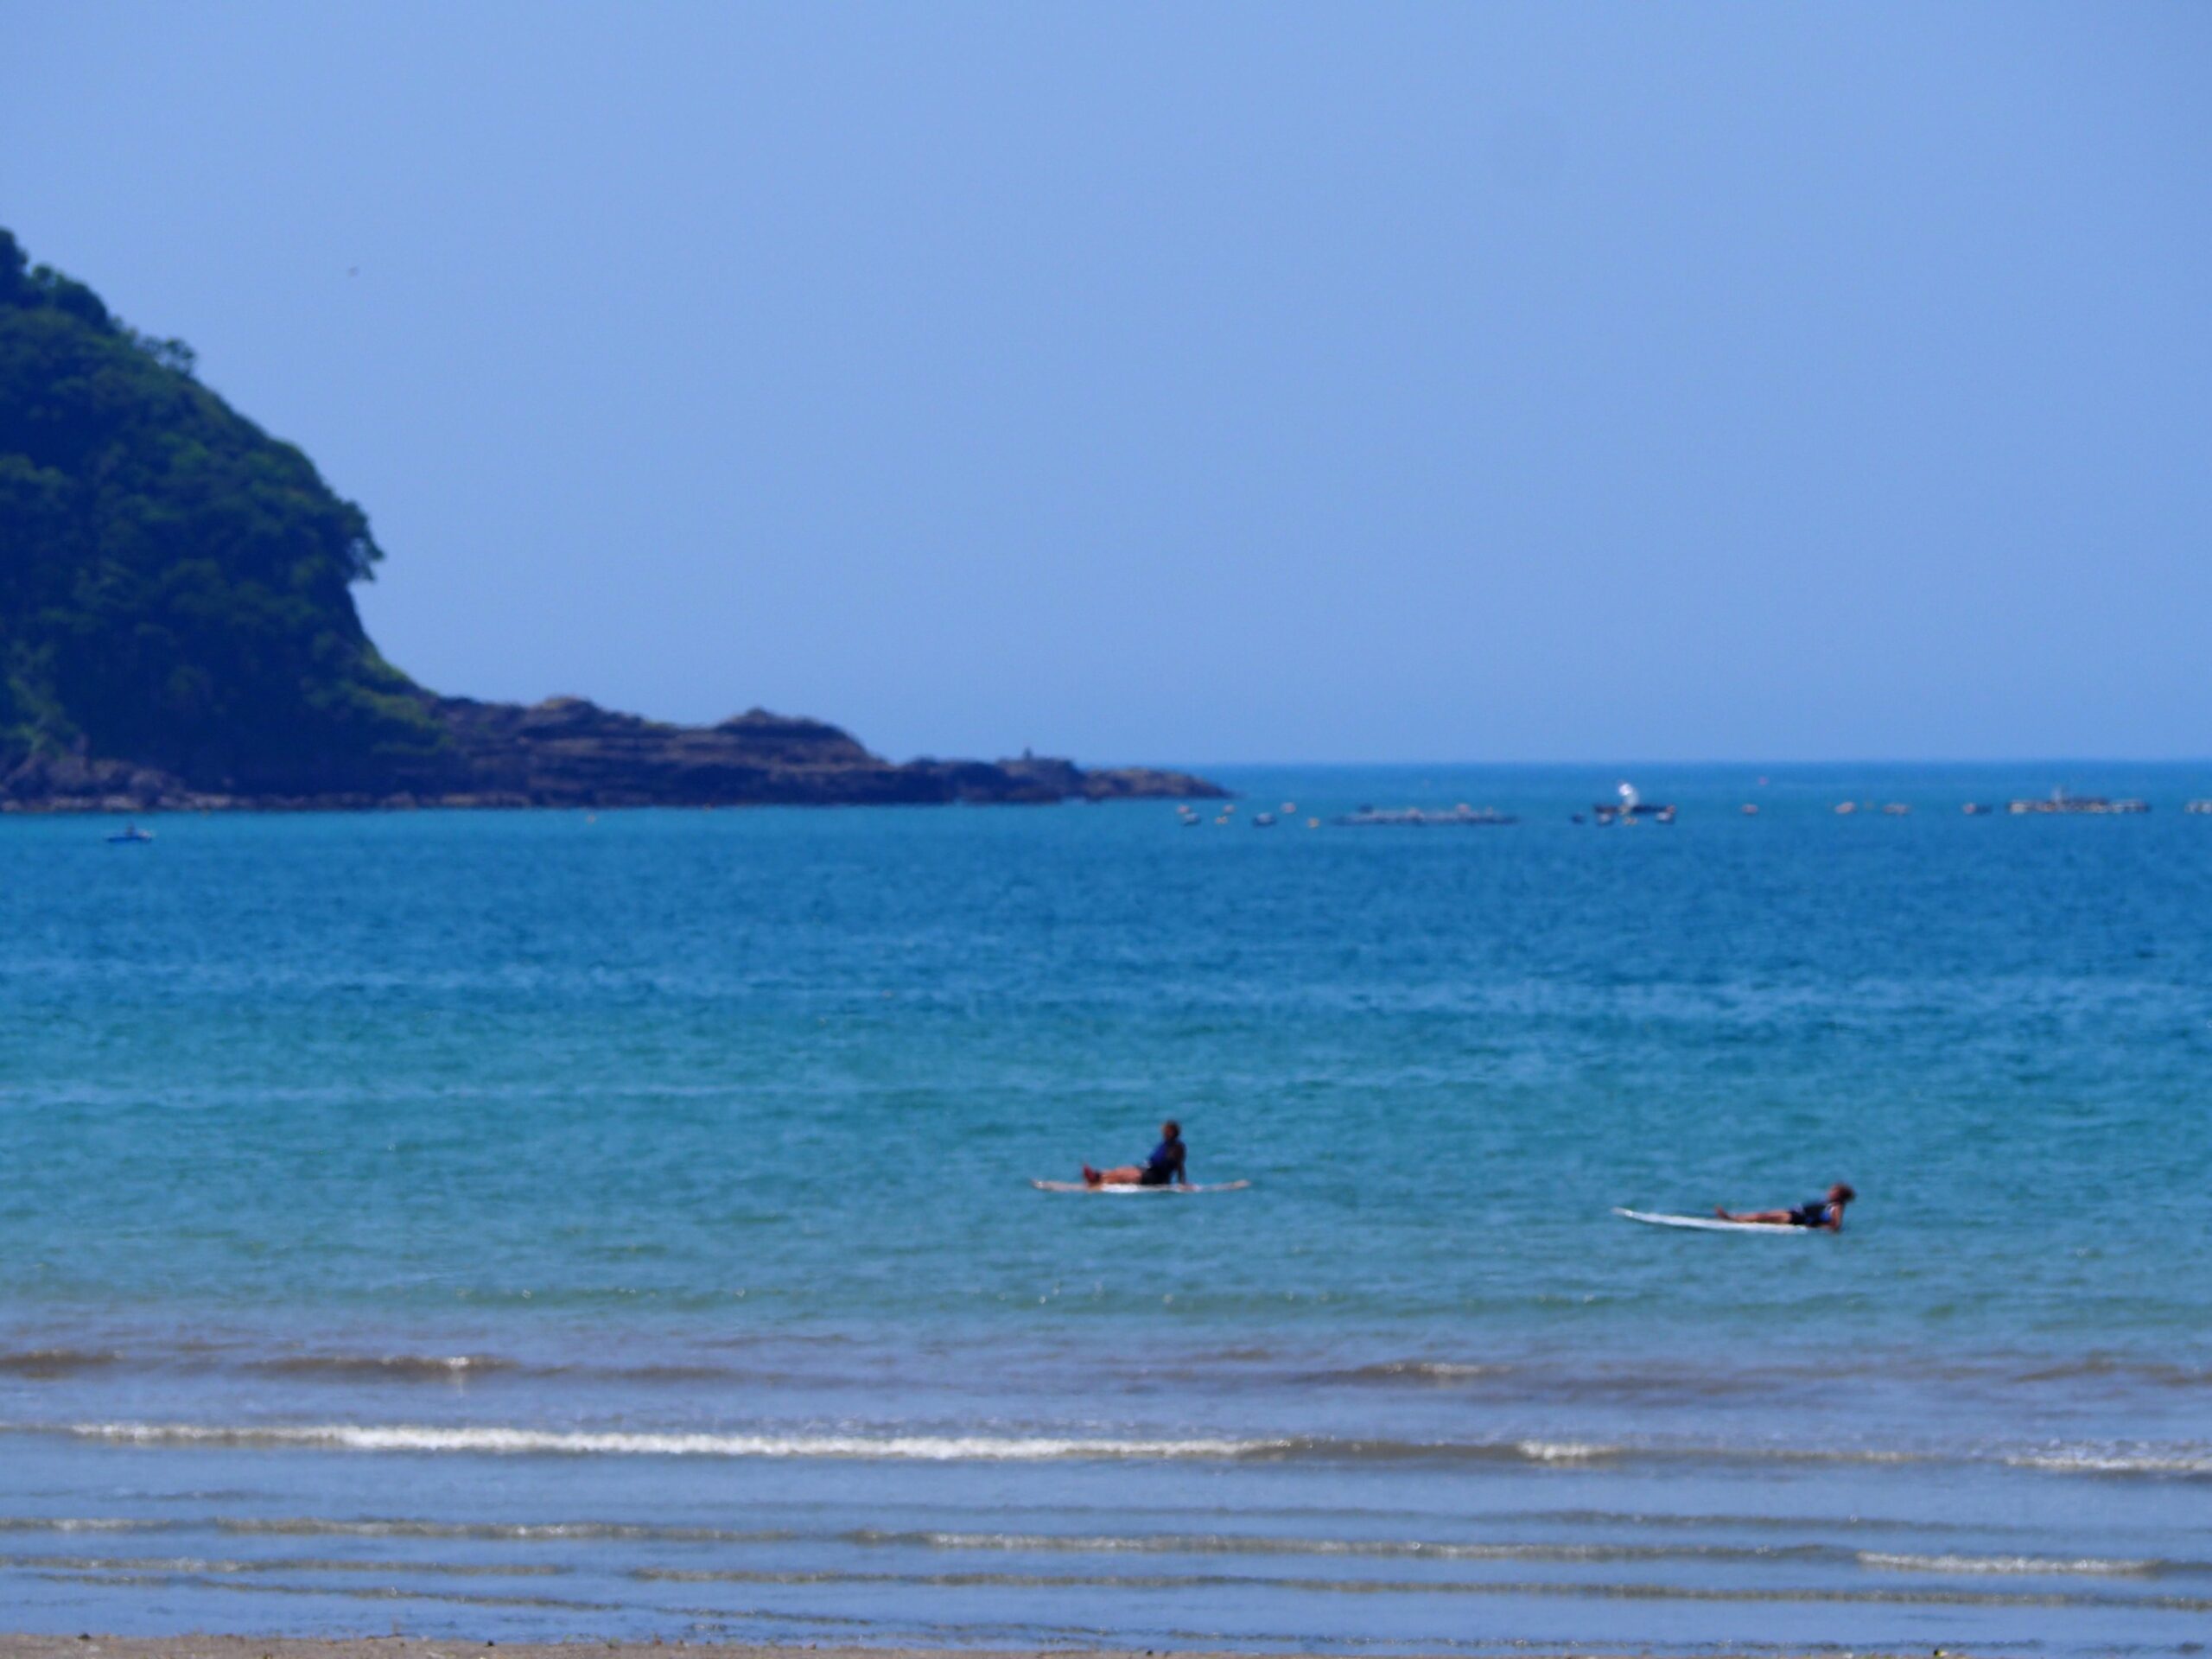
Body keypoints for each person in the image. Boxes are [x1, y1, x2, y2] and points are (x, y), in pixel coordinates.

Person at [1083, 1121, 1188, 1188]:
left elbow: (1180, 1165)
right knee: (1122, 1170)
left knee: (1125, 1176)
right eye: (1164, 1131)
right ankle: (1097, 1175)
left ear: (1173, 1132)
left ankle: (1099, 1179)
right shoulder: (1165, 1144)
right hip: (1147, 1170)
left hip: (1156, 1177)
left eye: (1166, 1131)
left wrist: (1182, 1183)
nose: (1164, 1133)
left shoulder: (1177, 1147)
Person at [1714, 1182, 1855, 1230]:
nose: (1829, 1192)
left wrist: (1817, 1227)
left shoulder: (1837, 1206)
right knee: (1764, 1215)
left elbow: (1836, 1224)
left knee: (1764, 1216)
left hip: (1798, 1218)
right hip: (1795, 1213)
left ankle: (1732, 1218)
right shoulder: (1830, 1203)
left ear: (1839, 1195)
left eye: (1833, 1191)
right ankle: (1735, 1217)